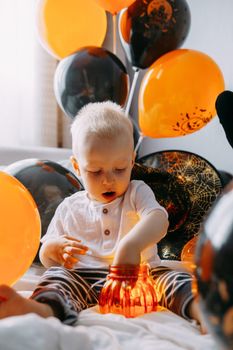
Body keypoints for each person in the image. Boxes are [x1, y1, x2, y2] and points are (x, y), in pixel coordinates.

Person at [0, 101, 205, 332]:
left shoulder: (137, 191)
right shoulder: (70, 206)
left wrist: (131, 246)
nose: (108, 180)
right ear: (77, 167)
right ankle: (40, 310)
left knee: (174, 281)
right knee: (57, 279)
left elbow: (158, 219)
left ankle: (205, 312)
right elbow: (46, 255)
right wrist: (56, 249)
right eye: (95, 171)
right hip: (82, 277)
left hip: (141, 274)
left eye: (119, 169)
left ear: (131, 160)